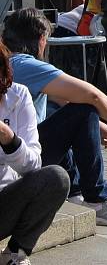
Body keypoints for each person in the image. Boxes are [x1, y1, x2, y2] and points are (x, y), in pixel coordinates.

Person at [3, 9, 107, 228]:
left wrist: (99, 125)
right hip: (19, 160)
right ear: (41, 39)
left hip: (11, 155)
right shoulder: (25, 64)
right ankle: (98, 199)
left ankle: (75, 193)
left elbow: (62, 98)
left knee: (56, 111)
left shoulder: (9, 63)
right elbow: (91, 95)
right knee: (84, 110)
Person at [1, 41, 71, 265]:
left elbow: (33, 166)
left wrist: (9, 139)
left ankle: (15, 253)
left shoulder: (18, 95)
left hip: (5, 199)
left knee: (56, 178)